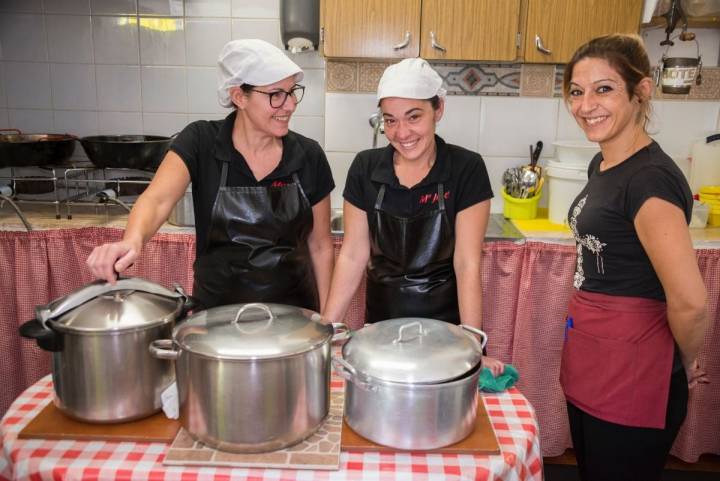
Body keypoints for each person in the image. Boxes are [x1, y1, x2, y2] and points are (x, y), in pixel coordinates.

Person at [86, 39, 334, 311]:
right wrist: (132, 240)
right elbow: (157, 200)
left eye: (292, 92)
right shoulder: (201, 141)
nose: (290, 105)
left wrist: (327, 320)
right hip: (216, 320)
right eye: (276, 94)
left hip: (295, 318)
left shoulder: (309, 155)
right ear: (239, 96)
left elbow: (320, 246)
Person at [559, 34, 709, 481]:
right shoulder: (603, 164)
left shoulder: (650, 180)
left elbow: (690, 300)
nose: (586, 105)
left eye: (603, 89)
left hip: (635, 370)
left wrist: (681, 362)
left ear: (641, 91)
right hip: (594, 354)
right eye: (576, 91)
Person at [322, 58, 504, 375]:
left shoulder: (466, 168)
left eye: (414, 117)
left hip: (446, 335)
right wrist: (326, 330)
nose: (401, 132)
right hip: (378, 330)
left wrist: (473, 344)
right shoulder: (365, 167)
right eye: (390, 121)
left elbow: (467, 262)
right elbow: (353, 255)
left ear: (439, 110)